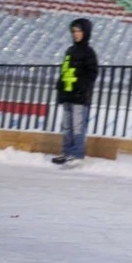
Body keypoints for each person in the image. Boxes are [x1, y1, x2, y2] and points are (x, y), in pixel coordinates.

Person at [51, 18, 99, 168]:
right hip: (67, 94)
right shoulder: (70, 51)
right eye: (74, 31)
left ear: (86, 33)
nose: (76, 34)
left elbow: (92, 73)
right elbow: (65, 70)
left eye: (79, 31)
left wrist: (81, 86)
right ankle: (66, 152)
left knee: (78, 126)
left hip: (79, 96)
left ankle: (77, 154)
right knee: (66, 126)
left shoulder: (89, 52)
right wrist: (60, 85)